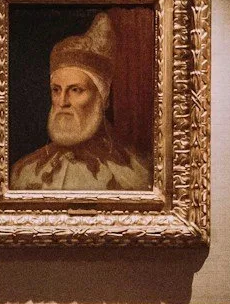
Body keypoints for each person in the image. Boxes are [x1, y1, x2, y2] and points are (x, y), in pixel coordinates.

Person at [9, 11, 151, 191]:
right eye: (56, 90)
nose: (62, 102)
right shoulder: (23, 173)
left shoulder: (137, 175)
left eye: (75, 90)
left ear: (103, 99)